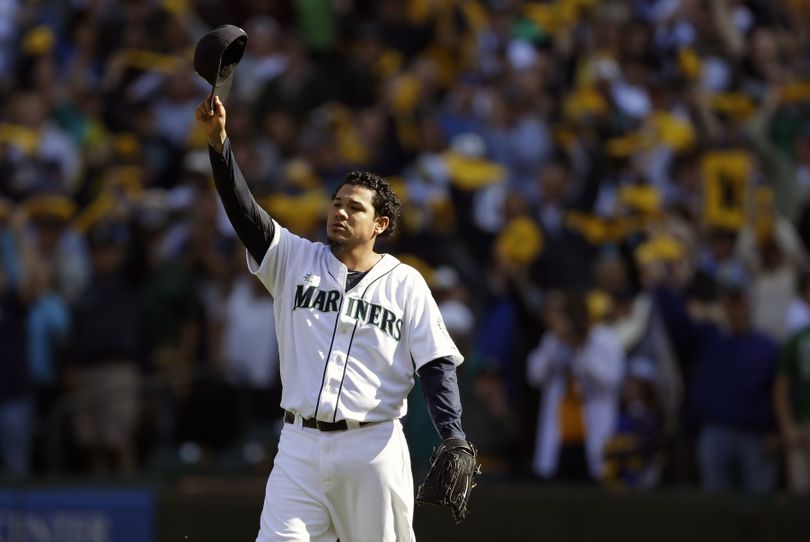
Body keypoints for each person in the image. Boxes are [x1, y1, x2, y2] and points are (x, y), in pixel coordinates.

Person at [195, 95, 473, 541]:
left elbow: (436, 365)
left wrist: (454, 436)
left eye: (355, 207)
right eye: (336, 202)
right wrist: (219, 142)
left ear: (380, 224)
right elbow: (243, 212)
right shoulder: (293, 258)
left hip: (371, 447)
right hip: (298, 446)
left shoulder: (406, 283)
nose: (340, 211)